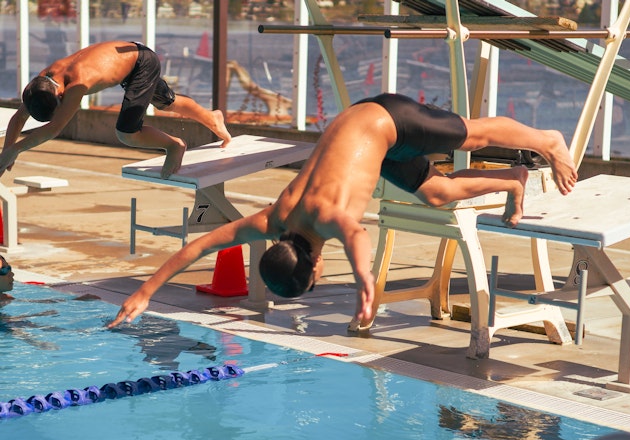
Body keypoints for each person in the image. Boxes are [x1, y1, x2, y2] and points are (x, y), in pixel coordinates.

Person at [107, 93, 577, 331]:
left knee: (474, 135)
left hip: (388, 120)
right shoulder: (273, 221)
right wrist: (146, 291)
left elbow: (356, 235)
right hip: (372, 139)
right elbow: (202, 246)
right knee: (436, 193)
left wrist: (365, 284)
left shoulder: (324, 216)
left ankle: (547, 142)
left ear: (312, 266)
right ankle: (514, 179)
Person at [0, 40, 232, 179]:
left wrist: (16, 150)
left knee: (127, 132)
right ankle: (212, 118)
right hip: (132, 57)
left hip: (141, 63)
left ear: (60, 96)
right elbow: (18, 118)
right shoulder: (42, 84)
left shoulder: (77, 84)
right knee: (167, 102)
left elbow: (53, 129)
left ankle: (174, 145)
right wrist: (6, 153)